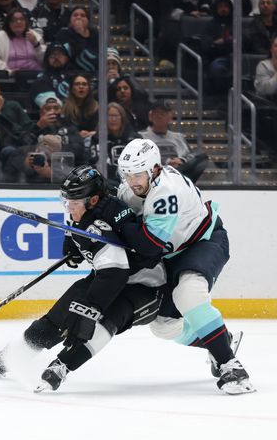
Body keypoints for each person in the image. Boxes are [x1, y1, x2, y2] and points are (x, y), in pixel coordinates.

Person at [0, 165, 166, 392]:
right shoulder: (81, 213)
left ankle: (62, 366)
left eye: (75, 203)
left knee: (96, 324)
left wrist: (91, 309)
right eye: (66, 202)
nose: (69, 208)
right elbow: (81, 238)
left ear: (94, 200)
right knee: (52, 322)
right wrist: (72, 247)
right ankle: (1, 364)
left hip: (141, 285)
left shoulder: (103, 224)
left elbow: (115, 272)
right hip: (107, 275)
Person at [100, 139, 254, 395]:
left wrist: (117, 221)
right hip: (172, 254)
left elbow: (148, 246)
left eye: (137, 174)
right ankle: (221, 342)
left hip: (203, 242)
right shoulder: (131, 190)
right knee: (164, 326)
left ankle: (230, 366)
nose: (131, 181)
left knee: (188, 295)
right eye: (126, 174)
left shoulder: (166, 192)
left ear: (155, 169)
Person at [0, 7, 45, 76]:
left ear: (26, 22)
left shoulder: (34, 35)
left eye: (21, 19)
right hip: (10, 78)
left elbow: (45, 59)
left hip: (35, 75)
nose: (18, 22)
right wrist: (8, 71)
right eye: (14, 20)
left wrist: (36, 45)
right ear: (8, 23)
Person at [54, 6, 98, 72]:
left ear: (88, 20)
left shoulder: (95, 34)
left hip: (94, 71)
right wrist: (79, 33)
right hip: (70, 72)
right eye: (75, 15)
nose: (79, 17)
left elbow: (97, 54)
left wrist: (82, 33)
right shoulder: (64, 33)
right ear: (70, 20)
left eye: (83, 15)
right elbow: (68, 55)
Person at [61, 73, 98, 140]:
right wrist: (77, 134)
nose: (81, 87)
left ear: (89, 89)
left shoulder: (96, 108)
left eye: (84, 84)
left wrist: (94, 133)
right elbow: (62, 130)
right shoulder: (64, 108)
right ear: (72, 89)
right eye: (77, 84)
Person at [254, 35, 277, 102]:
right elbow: (266, 91)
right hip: (269, 106)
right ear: (271, 49)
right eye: (276, 46)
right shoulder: (263, 65)